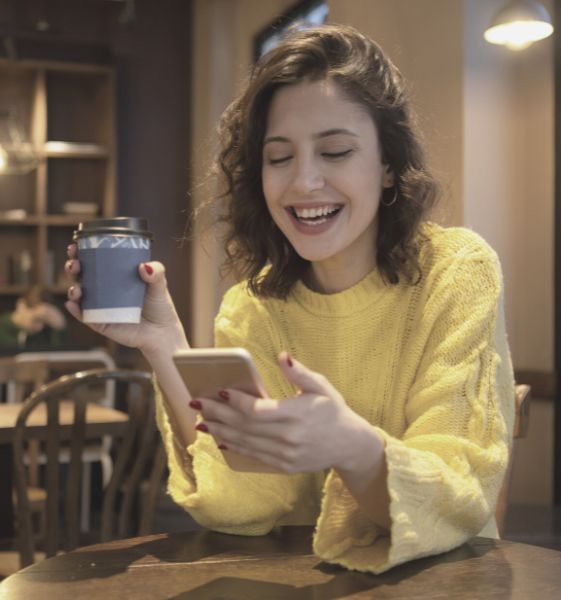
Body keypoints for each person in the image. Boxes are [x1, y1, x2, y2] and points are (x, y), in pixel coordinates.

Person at [64, 24, 514, 573]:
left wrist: (351, 446)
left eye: (335, 151)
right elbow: (244, 505)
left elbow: (460, 498)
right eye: (279, 158)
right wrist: (164, 345)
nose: (303, 182)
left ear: (389, 164)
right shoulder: (253, 308)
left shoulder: (456, 272)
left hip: (449, 582)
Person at [0, 285, 66, 350]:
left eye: (44, 321)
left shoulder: (46, 331)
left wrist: (59, 327)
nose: (39, 327)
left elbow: (58, 352)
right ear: (20, 305)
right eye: (36, 320)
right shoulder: (3, 326)